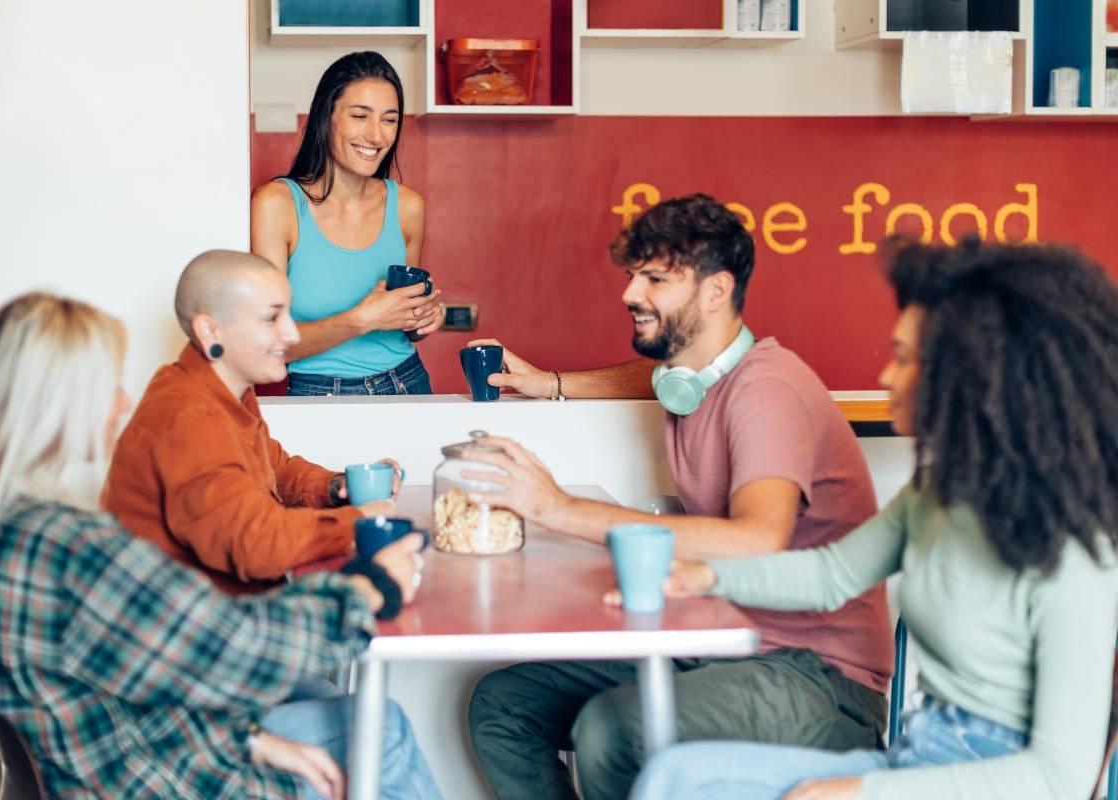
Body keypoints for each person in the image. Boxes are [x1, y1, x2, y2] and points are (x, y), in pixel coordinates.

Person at [629, 239, 1118, 800]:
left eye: (906, 359)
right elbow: (830, 574)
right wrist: (708, 577)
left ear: (975, 376)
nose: (886, 375)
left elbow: (1058, 780)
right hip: (918, 760)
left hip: (988, 784)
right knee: (673, 779)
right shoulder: (939, 493)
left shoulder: (1075, 554)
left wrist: (856, 793)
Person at [0, 292, 442, 799]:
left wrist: (252, 740)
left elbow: (115, 679)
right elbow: (237, 643)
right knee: (381, 728)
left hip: (112, 753)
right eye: (107, 388)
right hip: (155, 780)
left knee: (337, 704)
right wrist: (366, 589)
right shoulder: (72, 547)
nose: (122, 405)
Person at [465, 195, 893, 800]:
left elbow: (756, 541)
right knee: (505, 706)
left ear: (715, 291)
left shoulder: (766, 391)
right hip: (721, 642)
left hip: (820, 680)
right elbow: (652, 374)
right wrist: (551, 385)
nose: (630, 293)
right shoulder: (691, 377)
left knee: (614, 729)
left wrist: (558, 507)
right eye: (634, 275)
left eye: (656, 278)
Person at [105, 250, 402, 596]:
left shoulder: (220, 389)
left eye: (288, 314)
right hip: (192, 631)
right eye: (271, 319)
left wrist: (336, 487)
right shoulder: (188, 415)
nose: (292, 334)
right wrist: (358, 522)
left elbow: (271, 468)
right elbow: (256, 544)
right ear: (210, 331)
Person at [251, 50, 444, 396]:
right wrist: (361, 319)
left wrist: (421, 319)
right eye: (360, 115)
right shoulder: (277, 205)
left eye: (389, 119)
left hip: (406, 383)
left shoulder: (408, 206)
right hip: (317, 392)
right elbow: (266, 344)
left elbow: (402, 320)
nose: (376, 136)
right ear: (327, 116)